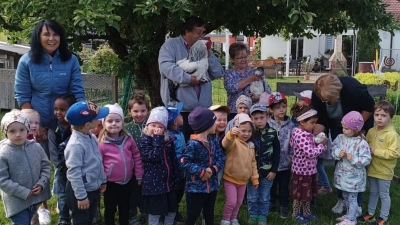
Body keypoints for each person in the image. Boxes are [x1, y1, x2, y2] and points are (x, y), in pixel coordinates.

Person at [14, 19, 85, 224]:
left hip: (66, 122)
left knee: (68, 165)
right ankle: (40, 208)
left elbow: (78, 92)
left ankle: (72, 205)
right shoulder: (27, 61)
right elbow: (23, 96)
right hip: (39, 121)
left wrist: (77, 121)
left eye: (55, 34)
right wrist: (35, 125)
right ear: (38, 37)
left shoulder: (70, 60)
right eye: (46, 34)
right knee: (37, 167)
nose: (51, 38)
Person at [311, 74, 375, 215]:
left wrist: (355, 129)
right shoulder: (317, 95)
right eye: (324, 100)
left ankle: (356, 203)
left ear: (338, 93)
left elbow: (369, 107)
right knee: (340, 162)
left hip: (357, 127)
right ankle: (342, 198)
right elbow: (321, 119)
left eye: (329, 100)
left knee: (357, 164)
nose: (326, 102)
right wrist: (313, 137)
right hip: (337, 127)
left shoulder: (353, 89)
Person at [159, 16, 224, 141]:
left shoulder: (203, 47)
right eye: (198, 32)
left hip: (202, 109)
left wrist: (209, 53)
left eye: (203, 32)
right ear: (187, 31)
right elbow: (166, 67)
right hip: (179, 110)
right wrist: (189, 79)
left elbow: (217, 72)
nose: (202, 36)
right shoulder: (170, 46)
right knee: (180, 146)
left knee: (202, 146)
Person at [0, 110, 52, 225]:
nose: (18, 134)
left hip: (34, 197)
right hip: (16, 201)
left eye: (22, 130)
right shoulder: (3, 153)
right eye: (12, 131)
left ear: (27, 129)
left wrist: (42, 183)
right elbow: (2, 180)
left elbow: (46, 166)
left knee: (29, 220)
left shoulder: (36, 147)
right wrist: (22, 191)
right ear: (6, 132)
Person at [97, 103, 143, 225]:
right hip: (110, 183)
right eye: (110, 121)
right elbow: (99, 163)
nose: (114, 124)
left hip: (127, 182)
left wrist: (139, 174)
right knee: (110, 209)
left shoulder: (128, 138)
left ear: (122, 123)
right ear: (104, 123)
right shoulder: (102, 142)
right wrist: (101, 181)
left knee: (125, 208)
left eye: (117, 120)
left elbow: (136, 156)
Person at [64, 100, 109, 224]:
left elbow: (97, 161)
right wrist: (81, 197)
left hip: (92, 187)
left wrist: (102, 180)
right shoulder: (76, 145)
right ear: (88, 124)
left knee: (89, 219)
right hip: (80, 191)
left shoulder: (91, 136)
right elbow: (74, 173)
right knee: (81, 220)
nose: (100, 120)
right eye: (97, 118)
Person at [357, 100, 400, 225]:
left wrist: (376, 151)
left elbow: (395, 153)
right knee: (373, 192)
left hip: (384, 171)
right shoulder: (371, 131)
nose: (379, 118)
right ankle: (370, 214)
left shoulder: (392, 135)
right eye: (377, 115)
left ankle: (383, 218)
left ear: (391, 118)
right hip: (372, 169)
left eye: (384, 115)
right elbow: (367, 146)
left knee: (384, 195)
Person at [182, 107, 225, 225]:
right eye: (214, 122)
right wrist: (201, 172)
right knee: (193, 213)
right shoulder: (193, 144)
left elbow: (221, 158)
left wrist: (212, 170)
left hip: (212, 186)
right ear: (206, 126)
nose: (216, 124)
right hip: (195, 188)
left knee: (209, 212)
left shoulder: (214, 140)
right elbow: (185, 162)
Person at [140, 107, 181, 225]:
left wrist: (177, 177)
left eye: (160, 127)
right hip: (154, 185)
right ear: (147, 126)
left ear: (165, 129)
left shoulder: (169, 140)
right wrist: (158, 140)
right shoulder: (145, 141)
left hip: (169, 183)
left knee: (172, 210)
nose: (156, 129)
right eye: (153, 125)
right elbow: (154, 157)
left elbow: (173, 160)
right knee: (155, 212)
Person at [331, 111, 371, 225]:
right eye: (343, 127)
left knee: (352, 198)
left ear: (356, 130)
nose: (343, 130)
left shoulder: (361, 143)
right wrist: (338, 153)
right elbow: (333, 149)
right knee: (345, 195)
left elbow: (366, 159)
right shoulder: (340, 138)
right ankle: (350, 214)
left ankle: (351, 219)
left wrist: (353, 158)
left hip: (354, 177)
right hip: (343, 175)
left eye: (346, 128)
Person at [290, 105, 327, 224]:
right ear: (302, 121)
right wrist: (322, 145)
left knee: (307, 193)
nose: (314, 125)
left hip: (308, 169)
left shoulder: (304, 132)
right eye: (312, 122)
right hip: (302, 170)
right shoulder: (301, 135)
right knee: (299, 194)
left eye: (315, 122)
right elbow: (310, 153)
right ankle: (296, 214)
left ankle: (306, 212)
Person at [221, 114, 259, 225]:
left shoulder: (251, 145)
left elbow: (253, 163)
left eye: (249, 131)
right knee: (231, 202)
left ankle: (233, 218)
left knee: (238, 202)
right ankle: (226, 220)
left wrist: (255, 178)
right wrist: (230, 135)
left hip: (243, 181)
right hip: (230, 178)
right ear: (237, 129)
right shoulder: (233, 142)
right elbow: (225, 144)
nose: (246, 134)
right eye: (243, 131)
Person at [292, 90, 333, 195]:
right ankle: (322, 185)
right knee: (318, 165)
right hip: (304, 165)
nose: (298, 102)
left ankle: (326, 186)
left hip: (307, 162)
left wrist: (320, 144)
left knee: (319, 165)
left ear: (307, 102)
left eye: (301, 100)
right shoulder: (305, 121)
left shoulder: (310, 119)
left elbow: (310, 150)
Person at [248, 103, 280, 225]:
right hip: (252, 172)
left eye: (262, 117)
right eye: (256, 118)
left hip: (268, 172)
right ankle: (253, 214)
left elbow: (277, 153)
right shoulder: (249, 134)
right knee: (252, 196)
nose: (259, 121)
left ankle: (262, 215)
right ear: (251, 119)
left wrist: (274, 170)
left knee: (264, 196)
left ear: (267, 116)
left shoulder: (272, 133)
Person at [47, 94, 76, 225]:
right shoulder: (53, 128)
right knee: (62, 193)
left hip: (76, 166)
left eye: (63, 109)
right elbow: (53, 151)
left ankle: (77, 215)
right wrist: (61, 167)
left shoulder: (77, 126)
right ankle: (64, 218)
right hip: (62, 168)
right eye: (56, 109)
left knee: (77, 191)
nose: (58, 112)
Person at [267, 92, 295, 218]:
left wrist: (291, 156)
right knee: (271, 185)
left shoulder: (290, 125)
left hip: (285, 163)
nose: (281, 110)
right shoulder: (267, 124)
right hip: (271, 163)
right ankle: (272, 202)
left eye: (283, 106)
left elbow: (294, 143)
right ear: (271, 110)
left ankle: (284, 204)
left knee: (284, 186)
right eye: (277, 108)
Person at [124, 93, 150, 224]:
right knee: (133, 192)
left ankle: (145, 210)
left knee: (146, 190)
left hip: (149, 166)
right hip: (132, 168)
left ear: (148, 110)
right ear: (130, 111)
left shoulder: (151, 127)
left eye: (143, 111)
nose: (139, 114)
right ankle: (132, 215)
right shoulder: (126, 129)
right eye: (135, 111)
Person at [224, 42, 271, 113]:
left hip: (254, 112)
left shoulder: (254, 71)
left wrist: (259, 97)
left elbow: (268, 90)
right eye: (239, 58)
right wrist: (250, 79)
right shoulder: (229, 73)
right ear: (232, 59)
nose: (243, 60)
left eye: (245, 57)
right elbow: (231, 88)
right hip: (235, 111)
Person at [165, 102, 186, 222]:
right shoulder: (171, 137)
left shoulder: (180, 132)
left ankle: (175, 209)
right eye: (180, 115)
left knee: (180, 191)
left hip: (182, 170)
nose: (182, 116)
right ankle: (170, 211)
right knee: (174, 192)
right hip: (175, 171)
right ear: (175, 122)